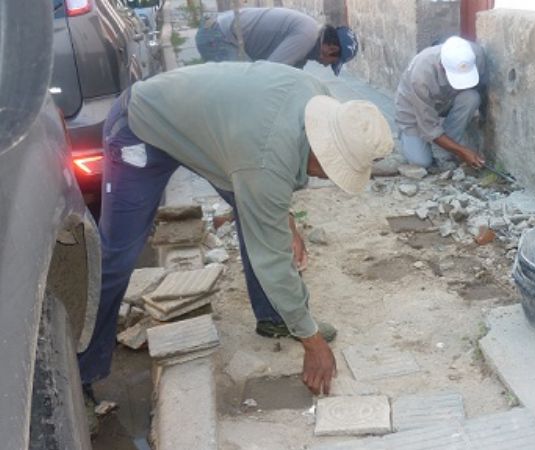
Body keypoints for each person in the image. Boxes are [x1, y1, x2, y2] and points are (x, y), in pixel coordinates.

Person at [78, 62, 393, 398]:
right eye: (331, 170)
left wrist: (283, 219)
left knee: (263, 213)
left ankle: (275, 316)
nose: (325, 178)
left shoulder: (320, 102)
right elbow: (271, 253)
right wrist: (312, 343)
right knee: (117, 256)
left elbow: (267, 181)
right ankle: (83, 371)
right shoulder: (264, 160)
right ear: (321, 145)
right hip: (141, 128)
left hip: (220, 137)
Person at [395, 36, 487, 169]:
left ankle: (448, 145)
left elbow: (481, 89)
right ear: (441, 67)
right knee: (421, 162)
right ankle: (406, 135)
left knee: (471, 97)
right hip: (413, 109)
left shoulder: (475, 55)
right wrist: (463, 151)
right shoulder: (421, 75)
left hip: (446, 100)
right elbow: (429, 128)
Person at [195, 6, 358, 76]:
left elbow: (292, 77)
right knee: (246, 86)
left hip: (221, 33)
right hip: (216, 35)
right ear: (331, 48)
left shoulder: (308, 41)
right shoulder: (307, 36)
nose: (326, 65)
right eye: (333, 62)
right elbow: (268, 73)